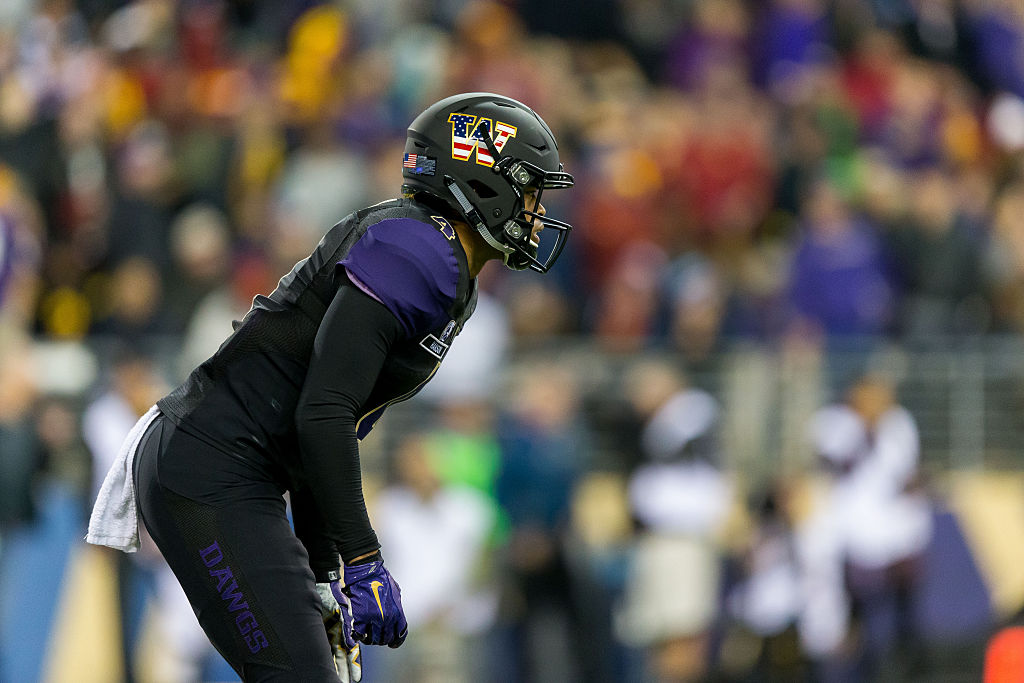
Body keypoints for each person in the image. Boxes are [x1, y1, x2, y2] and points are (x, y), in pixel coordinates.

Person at [86, 92, 574, 682]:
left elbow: (324, 429)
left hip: (235, 470)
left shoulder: (442, 262)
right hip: (211, 468)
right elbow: (323, 414)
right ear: (482, 177)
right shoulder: (418, 251)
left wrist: (324, 570)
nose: (536, 212)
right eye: (527, 191)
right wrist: (363, 559)